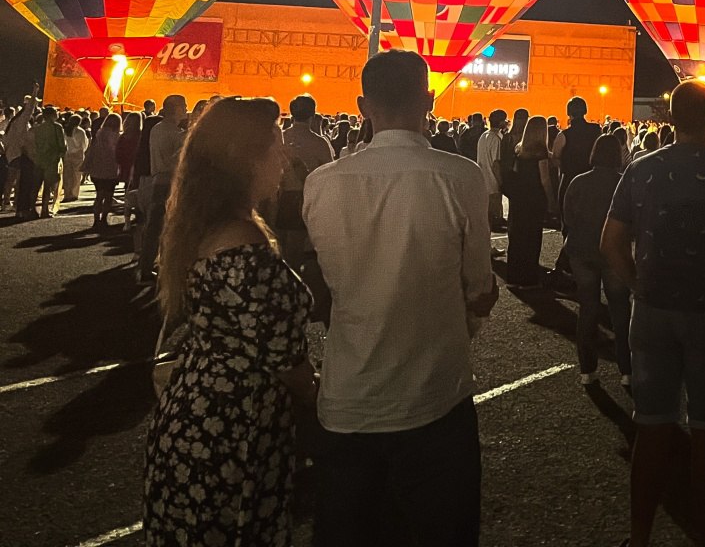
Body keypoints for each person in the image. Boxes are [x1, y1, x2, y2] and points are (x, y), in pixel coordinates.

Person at [302, 50, 498, 547]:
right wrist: (463, 322)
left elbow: (327, 281)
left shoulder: (320, 183)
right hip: (436, 395)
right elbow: (480, 288)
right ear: (428, 100)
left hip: (347, 399)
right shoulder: (460, 177)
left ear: (362, 105)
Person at [144, 97, 315, 546]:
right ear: (244, 160)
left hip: (194, 412)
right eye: (275, 147)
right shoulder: (244, 241)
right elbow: (281, 355)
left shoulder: (203, 224)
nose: (285, 158)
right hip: (235, 427)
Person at [601, 80, 705, 547]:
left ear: (670, 117)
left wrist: (637, 285)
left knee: (651, 428)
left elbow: (609, 243)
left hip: (652, 312)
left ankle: (640, 534)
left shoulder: (640, 170)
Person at [562, 130, 632, 386]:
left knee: (588, 307)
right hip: (614, 251)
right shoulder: (623, 182)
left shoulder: (578, 182)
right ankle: (627, 370)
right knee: (620, 309)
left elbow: (568, 217)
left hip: (581, 250)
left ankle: (587, 369)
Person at [275, 94, 333, 267]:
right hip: (306, 198)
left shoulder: (281, 138)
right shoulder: (319, 142)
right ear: (313, 114)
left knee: (279, 248)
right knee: (296, 251)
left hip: (277, 198)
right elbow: (327, 172)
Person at [140, 95, 188, 282]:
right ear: (175, 108)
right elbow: (176, 161)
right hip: (169, 181)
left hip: (157, 179)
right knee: (168, 227)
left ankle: (146, 265)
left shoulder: (156, 129)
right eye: (183, 106)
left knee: (154, 227)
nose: (185, 109)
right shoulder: (174, 133)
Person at [504, 115, 553, 288]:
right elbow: (545, 180)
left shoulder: (519, 150)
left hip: (519, 198)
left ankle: (513, 276)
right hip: (534, 198)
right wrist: (551, 201)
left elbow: (516, 174)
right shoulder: (541, 152)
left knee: (516, 236)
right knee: (532, 237)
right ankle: (529, 278)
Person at [552, 96, 602, 211]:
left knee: (568, 214)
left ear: (568, 112)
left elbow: (555, 157)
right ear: (585, 111)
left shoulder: (564, 134)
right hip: (592, 178)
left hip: (570, 179)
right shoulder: (596, 130)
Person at [86, 111, 123, 230]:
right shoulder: (117, 136)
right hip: (111, 170)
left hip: (97, 169)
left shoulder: (98, 134)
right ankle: (104, 219)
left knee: (99, 196)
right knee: (108, 196)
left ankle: (96, 219)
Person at [32, 105, 66, 217]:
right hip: (52, 159)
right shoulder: (57, 127)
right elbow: (62, 144)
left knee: (36, 185)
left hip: (38, 159)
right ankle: (45, 209)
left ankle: (32, 208)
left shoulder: (38, 128)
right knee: (49, 186)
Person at [61, 111, 88, 205]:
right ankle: (74, 193)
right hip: (78, 155)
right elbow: (84, 144)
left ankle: (67, 193)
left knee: (67, 175)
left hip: (67, 154)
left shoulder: (65, 130)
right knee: (76, 175)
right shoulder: (81, 132)